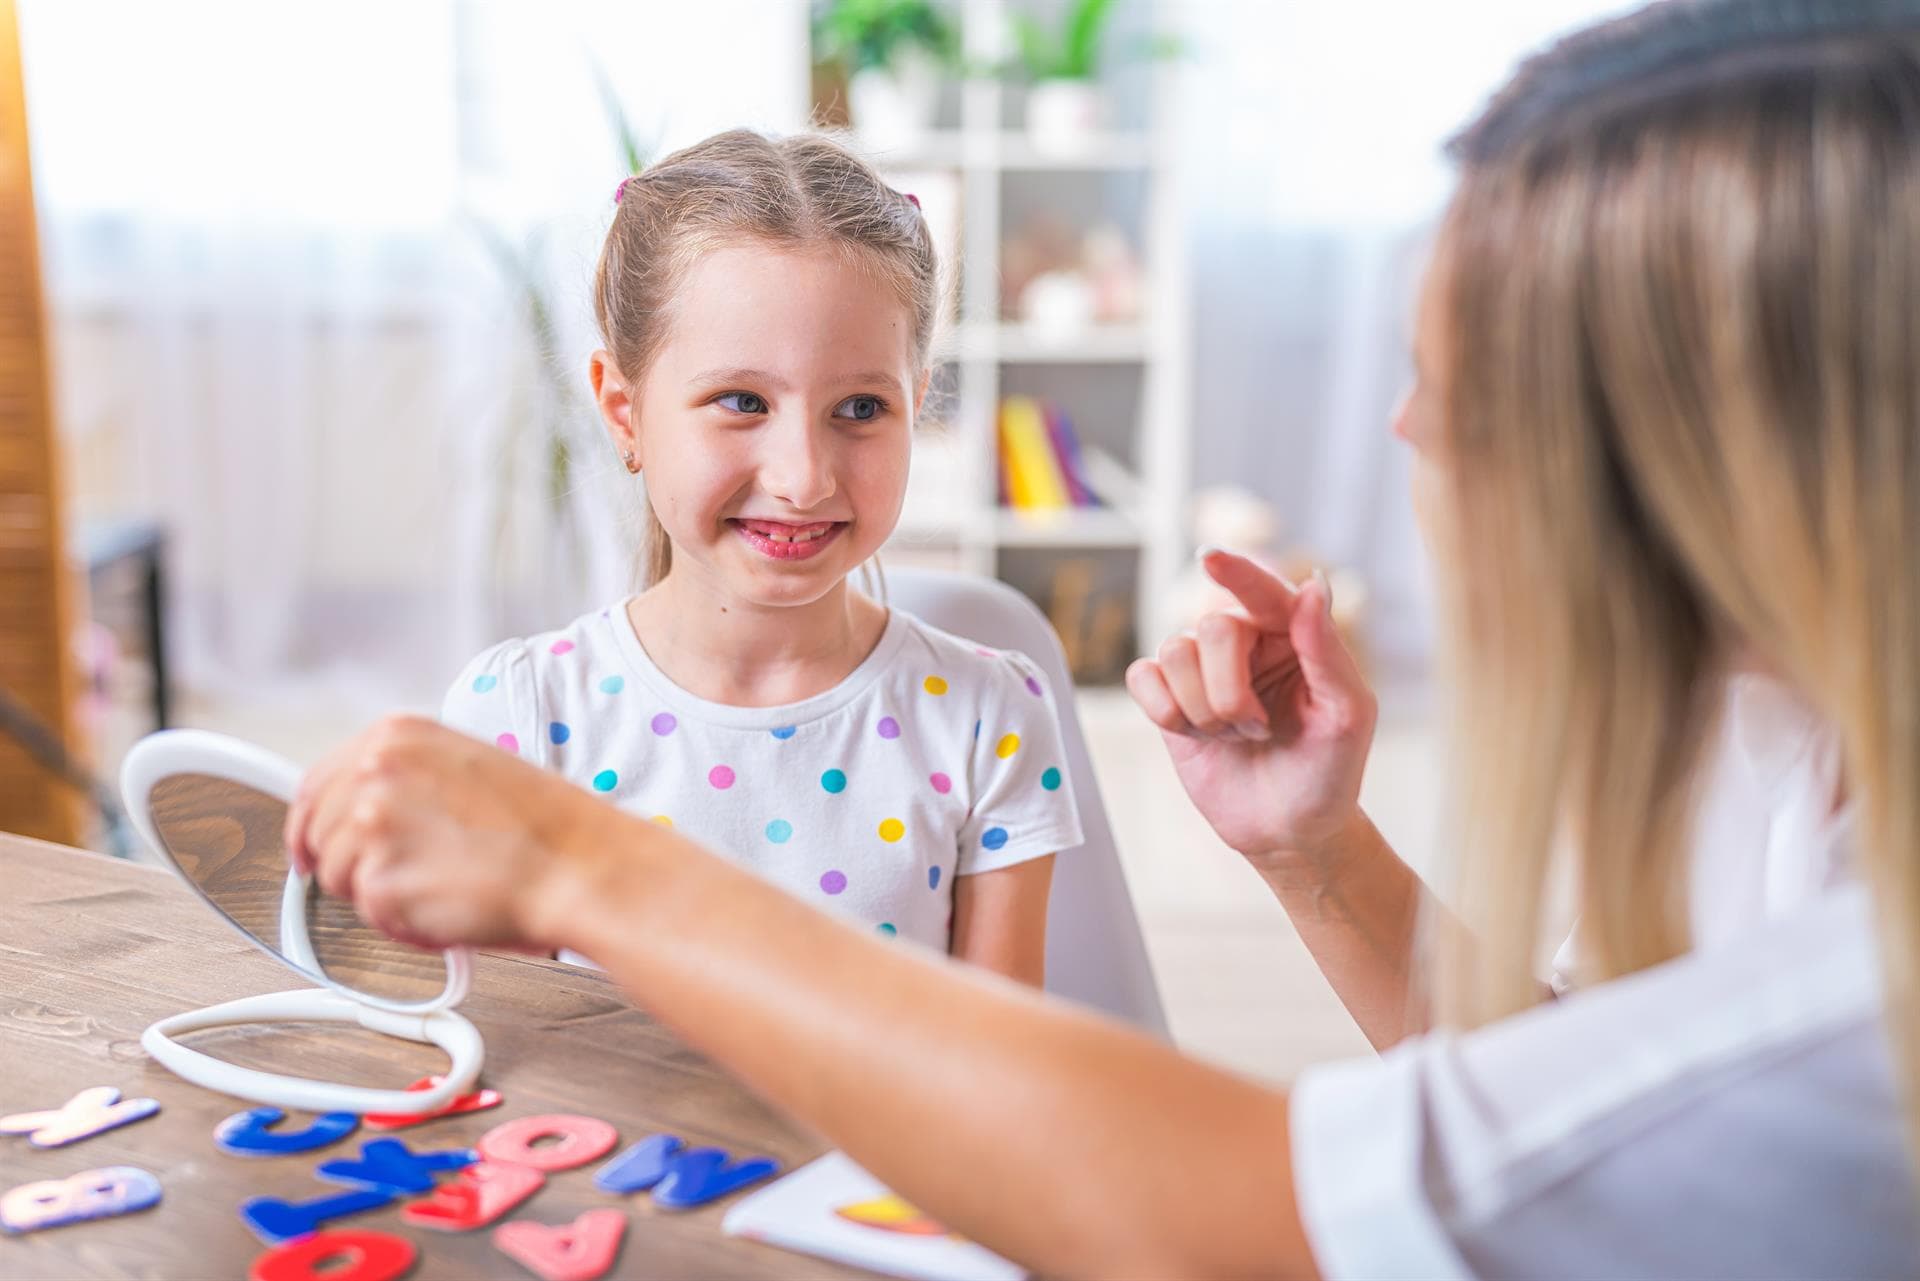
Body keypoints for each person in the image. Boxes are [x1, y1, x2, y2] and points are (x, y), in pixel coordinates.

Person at [285, 3, 1920, 1275]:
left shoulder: (1864, 999)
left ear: (1730, 449)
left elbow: (1249, 1227)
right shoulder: (1785, 752)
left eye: (1470, 387)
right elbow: (1593, 1129)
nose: (1406, 430)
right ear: (623, 412)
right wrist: (1321, 852)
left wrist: (587, 867)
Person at [440, 130, 1078, 981]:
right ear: (625, 411)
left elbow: (1000, 1077)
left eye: (859, 408)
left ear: (915, 406)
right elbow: (513, 1072)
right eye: (741, 401)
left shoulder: (988, 717)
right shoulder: (516, 719)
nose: (804, 478)